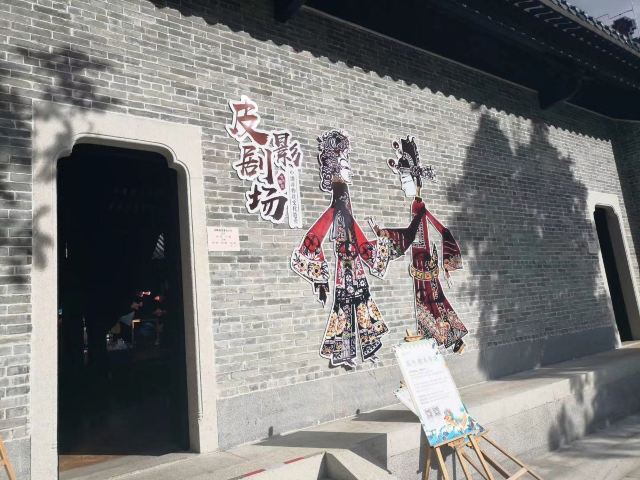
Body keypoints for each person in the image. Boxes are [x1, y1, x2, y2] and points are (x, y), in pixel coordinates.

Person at [291, 129, 425, 367]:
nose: (349, 169)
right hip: (345, 269)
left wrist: (380, 242)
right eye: (344, 164)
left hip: (355, 267)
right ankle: (346, 353)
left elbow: (359, 240)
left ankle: (365, 349)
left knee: (361, 305)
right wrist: (320, 277)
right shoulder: (338, 205)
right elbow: (316, 236)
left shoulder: (344, 208)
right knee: (346, 308)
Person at [384, 136, 468, 354]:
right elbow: (427, 231)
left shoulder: (419, 207)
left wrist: (447, 263)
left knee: (435, 302)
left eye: (408, 180)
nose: (407, 185)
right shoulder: (417, 207)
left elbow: (432, 230)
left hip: (424, 263)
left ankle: (449, 340)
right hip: (420, 263)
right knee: (430, 304)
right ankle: (441, 341)